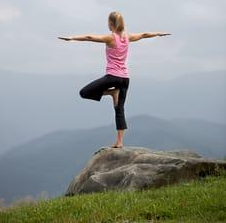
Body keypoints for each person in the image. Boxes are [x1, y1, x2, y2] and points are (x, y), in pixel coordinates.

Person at [58, 11, 171, 148]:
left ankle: (111, 93)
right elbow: (144, 35)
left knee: (84, 92)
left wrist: (72, 38)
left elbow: (89, 37)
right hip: (125, 79)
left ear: (111, 23)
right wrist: (158, 33)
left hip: (112, 77)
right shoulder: (127, 37)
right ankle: (120, 141)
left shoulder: (111, 38)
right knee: (120, 109)